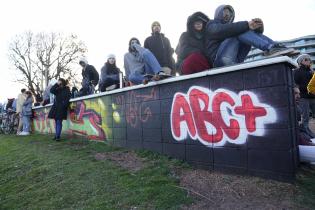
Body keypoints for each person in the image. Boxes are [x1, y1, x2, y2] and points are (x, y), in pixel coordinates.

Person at [205, 5, 294, 68]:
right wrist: (247, 25)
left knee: (243, 29)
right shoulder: (212, 24)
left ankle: (274, 47)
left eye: (229, 12)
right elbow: (218, 30)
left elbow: (246, 33)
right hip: (218, 61)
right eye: (224, 12)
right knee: (240, 29)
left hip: (235, 60)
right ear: (218, 13)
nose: (227, 14)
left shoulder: (232, 28)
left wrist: (258, 29)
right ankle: (270, 48)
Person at [294, 53, 315, 137]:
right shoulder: (297, 71)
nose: (308, 61)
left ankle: (309, 132)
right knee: (305, 116)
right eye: (306, 59)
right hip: (303, 97)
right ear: (300, 62)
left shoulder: (312, 72)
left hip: (313, 96)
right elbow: (295, 83)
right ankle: (306, 134)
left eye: (309, 59)